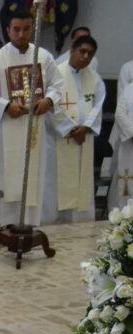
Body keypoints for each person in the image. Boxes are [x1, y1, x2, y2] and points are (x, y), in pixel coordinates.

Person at [0, 10, 62, 226]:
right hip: (6, 126)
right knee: (5, 177)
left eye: (26, 29)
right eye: (16, 29)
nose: (21, 34)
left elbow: (58, 85)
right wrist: (6, 106)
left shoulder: (44, 57)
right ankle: (3, 226)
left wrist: (49, 101)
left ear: (33, 29)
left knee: (32, 175)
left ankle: (30, 224)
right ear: (8, 30)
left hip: (34, 124)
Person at [46, 35, 104, 224]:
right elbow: (51, 106)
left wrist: (86, 127)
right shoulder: (56, 75)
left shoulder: (94, 79)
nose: (86, 57)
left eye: (90, 54)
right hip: (61, 138)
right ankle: (57, 220)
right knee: (60, 179)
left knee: (82, 178)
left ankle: (81, 220)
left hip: (84, 138)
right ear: (72, 50)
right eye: (82, 51)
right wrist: (71, 129)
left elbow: (98, 105)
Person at [109, 81, 133, 210]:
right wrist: (131, 132)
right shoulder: (129, 89)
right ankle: (126, 219)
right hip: (129, 145)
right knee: (126, 179)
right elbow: (120, 113)